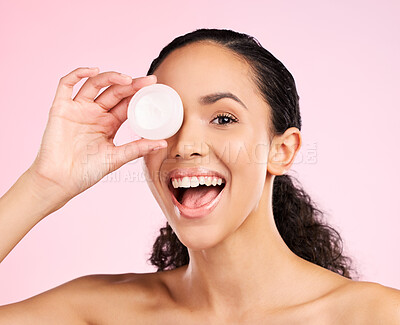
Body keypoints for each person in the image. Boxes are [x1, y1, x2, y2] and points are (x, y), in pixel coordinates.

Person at [0, 28, 399, 324]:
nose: (185, 144)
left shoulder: (375, 316)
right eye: (166, 118)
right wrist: (44, 184)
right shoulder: (97, 312)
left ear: (282, 150)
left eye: (223, 118)